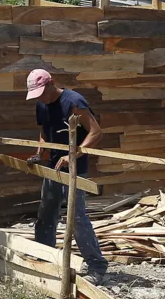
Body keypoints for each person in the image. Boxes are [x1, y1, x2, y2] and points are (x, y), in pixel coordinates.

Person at [25, 69, 109, 283]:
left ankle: (97, 267)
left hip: (75, 168)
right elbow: (45, 132)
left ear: (51, 83)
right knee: (46, 214)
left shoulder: (74, 102)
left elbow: (96, 132)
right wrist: (39, 153)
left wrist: (73, 154)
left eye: (42, 93)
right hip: (53, 167)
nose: (41, 98)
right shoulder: (41, 104)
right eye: (37, 95)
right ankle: (44, 259)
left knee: (77, 218)